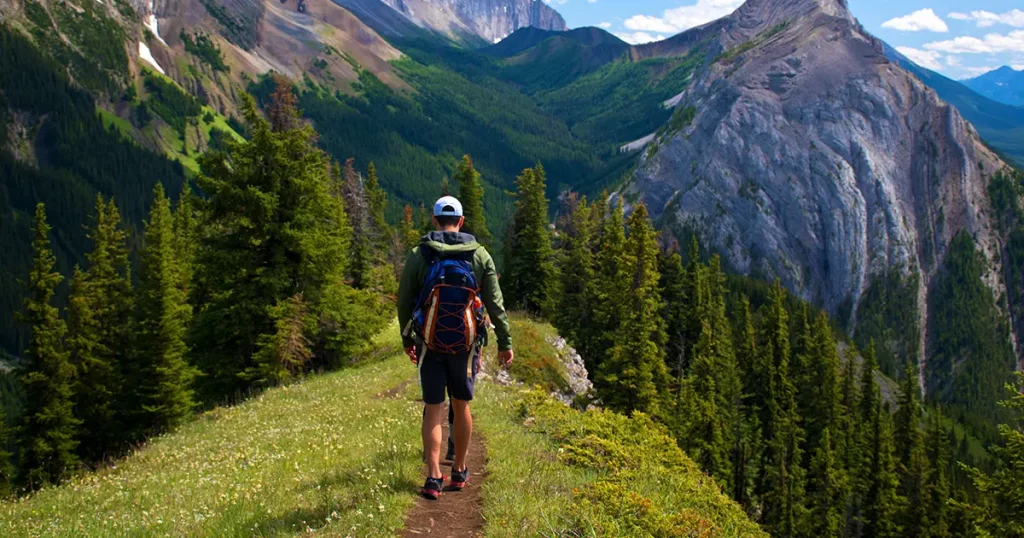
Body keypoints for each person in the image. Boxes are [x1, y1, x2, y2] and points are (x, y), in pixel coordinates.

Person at [398, 196, 514, 501]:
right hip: (464, 346)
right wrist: (505, 342)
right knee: (461, 404)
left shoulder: (419, 255)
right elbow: (495, 304)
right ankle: (460, 469)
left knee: (433, 409)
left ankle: (433, 476)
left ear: (435, 221)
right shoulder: (480, 256)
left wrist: (407, 339)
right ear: (461, 221)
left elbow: (404, 301)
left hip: (430, 343)